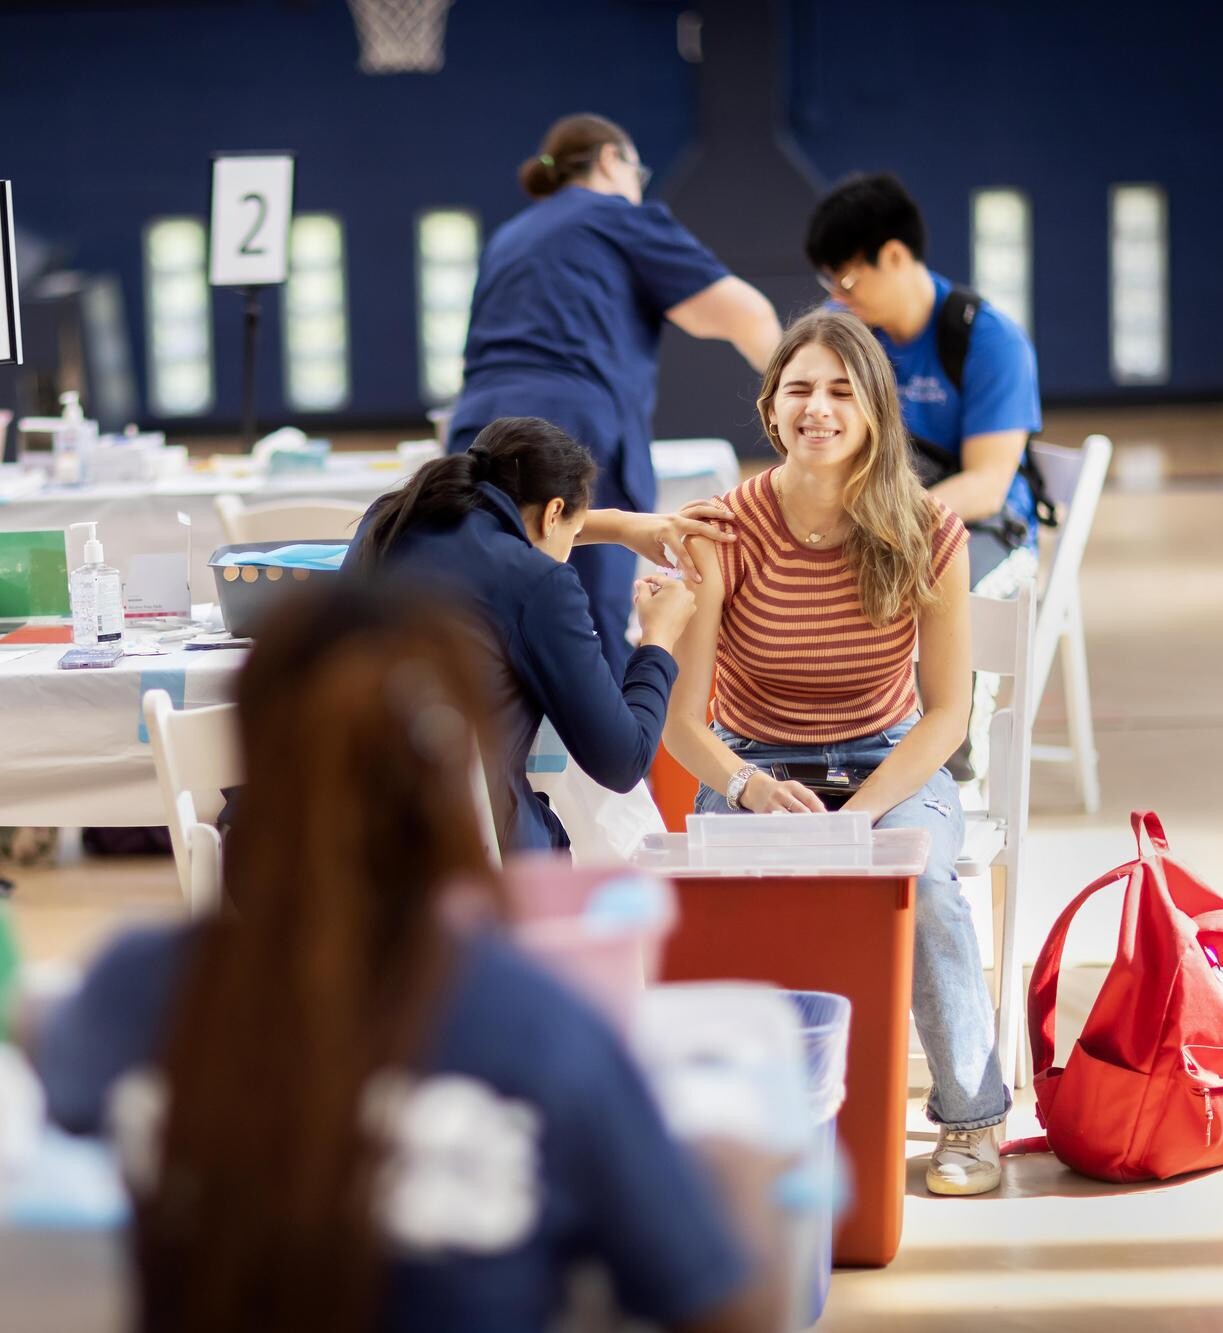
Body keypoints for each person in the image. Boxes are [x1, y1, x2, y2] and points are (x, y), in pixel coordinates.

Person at [30, 581, 763, 1333]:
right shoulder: (539, 1029)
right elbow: (712, 1299)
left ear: (251, 753)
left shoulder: (129, 997)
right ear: (451, 781)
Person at [663, 310, 1010, 1196]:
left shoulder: (930, 530)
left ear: (875, 413)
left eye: (842, 391)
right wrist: (744, 788)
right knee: (731, 904)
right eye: (800, 389)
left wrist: (861, 821)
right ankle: (730, 1122)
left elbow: (944, 716)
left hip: (888, 755)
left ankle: (971, 1120)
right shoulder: (723, 530)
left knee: (926, 882)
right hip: (754, 759)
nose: (819, 408)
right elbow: (681, 722)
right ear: (771, 406)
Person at [448, 113, 782, 673]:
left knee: (488, 624)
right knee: (582, 633)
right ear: (610, 160)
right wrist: (792, 402)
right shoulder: (616, 217)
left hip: (475, 433)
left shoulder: (508, 237)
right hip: (566, 431)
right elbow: (745, 314)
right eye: (638, 172)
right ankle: (606, 757)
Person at [345, 416, 725, 854]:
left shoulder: (390, 518)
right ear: (554, 513)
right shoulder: (540, 584)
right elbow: (624, 761)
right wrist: (658, 639)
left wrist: (620, 526)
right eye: (574, 529)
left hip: (353, 824)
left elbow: (503, 536)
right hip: (472, 846)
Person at [805, 172, 1045, 777]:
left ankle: (951, 775)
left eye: (848, 277)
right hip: (876, 514)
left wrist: (883, 522)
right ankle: (841, 761)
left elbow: (989, 484)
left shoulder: (989, 341)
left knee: (938, 594)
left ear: (894, 255)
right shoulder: (848, 332)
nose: (838, 294)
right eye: (828, 281)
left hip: (983, 527)